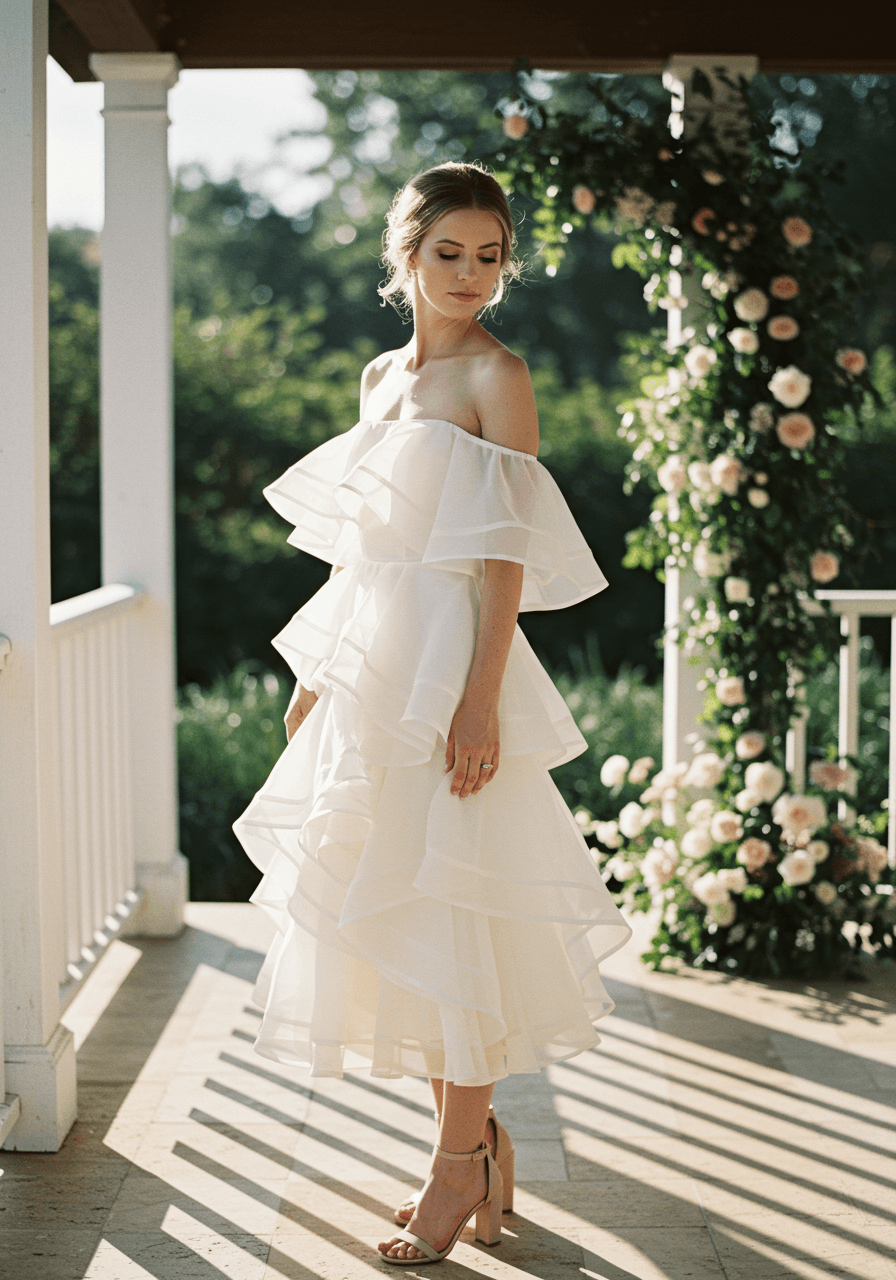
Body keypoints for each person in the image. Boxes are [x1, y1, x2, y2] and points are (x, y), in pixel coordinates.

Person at [233, 160, 632, 1265]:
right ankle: (472, 1140)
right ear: (403, 255)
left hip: (455, 668)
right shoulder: (378, 375)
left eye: (489, 255)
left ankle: (457, 1165)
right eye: (448, 252)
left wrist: (476, 701)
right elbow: (365, 549)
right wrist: (317, 678)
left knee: (461, 904)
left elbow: (500, 556)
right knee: (395, 899)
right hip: (373, 670)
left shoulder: (498, 377)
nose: (469, 274)